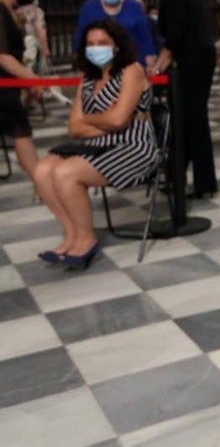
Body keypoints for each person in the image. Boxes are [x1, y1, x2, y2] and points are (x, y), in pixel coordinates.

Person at [34, 20, 157, 270]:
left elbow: (120, 120)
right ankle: (72, 236)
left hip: (133, 145)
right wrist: (104, 120)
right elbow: (75, 127)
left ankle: (87, 241)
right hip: (95, 144)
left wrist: (90, 119)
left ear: (117, 47)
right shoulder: (87, 80)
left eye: (102, 43)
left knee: (65, 172)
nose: (95, 48)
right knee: (42, 170)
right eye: (90, 44)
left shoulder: (132, 70)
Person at [144, 0, 217, 198]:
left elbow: (173, 36)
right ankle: (180, 177)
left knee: (192, 120)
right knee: (186, 120)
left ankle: (202, 183)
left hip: (191, 62)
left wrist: (158, 66)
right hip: (199, 58)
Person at [0, 0, 43, 182]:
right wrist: (33, 78)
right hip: (2, 82)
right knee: (20, 128)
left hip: (8, 81)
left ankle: (39, 180)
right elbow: (3, 55)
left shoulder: (9, 10)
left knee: (20, 128)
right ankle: (40, 181)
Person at [74, 0, 157, 70]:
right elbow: (80, 35)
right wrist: (78, 58)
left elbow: (144, 36)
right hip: (98, 64)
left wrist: (150, 60)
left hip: (132, 62)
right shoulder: (89, 8)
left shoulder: (134, 7)